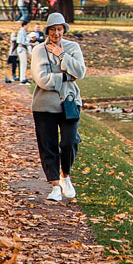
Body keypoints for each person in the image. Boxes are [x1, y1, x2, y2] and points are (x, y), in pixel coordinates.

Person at [31, 12, 86, 202]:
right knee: (49, 145)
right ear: (47, 31)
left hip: (70, 102)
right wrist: (64, 76)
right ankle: (55, 186)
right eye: (53, 29)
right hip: (44, 105)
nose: (56, 33)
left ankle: (65, 176)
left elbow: (80, 71)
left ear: (64, 30)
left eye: (59, 29)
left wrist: (62, 55)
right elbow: (42, 79)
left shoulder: (72, 47)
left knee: (70, 141)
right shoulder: (39, 50)